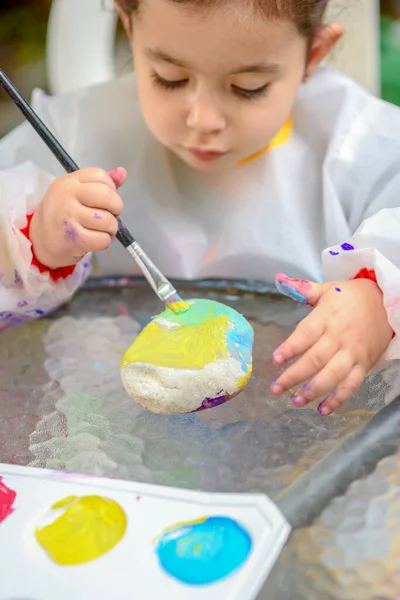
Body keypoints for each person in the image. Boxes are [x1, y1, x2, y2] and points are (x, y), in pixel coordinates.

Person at [0, 0, 399, 417]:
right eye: (169, 78)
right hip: (108, 428)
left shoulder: (357, 144)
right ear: (130, 28)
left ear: (312, 55)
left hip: (297, 443)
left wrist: (378, 299)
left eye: (248, 87)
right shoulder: (80, 132)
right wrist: (33, 236)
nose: (203, 119)